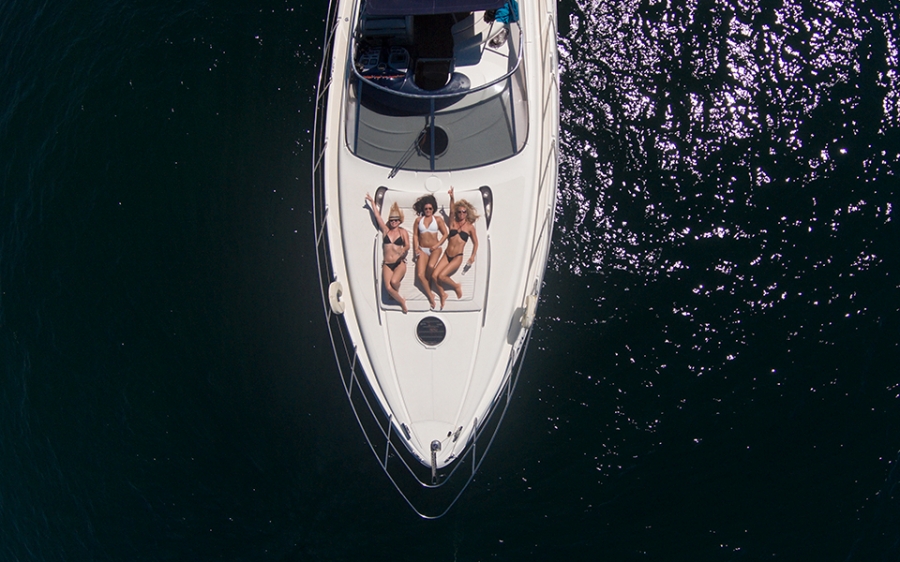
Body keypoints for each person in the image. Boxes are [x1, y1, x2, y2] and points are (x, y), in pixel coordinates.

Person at [432, 187, 479, 309]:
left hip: (457, 257)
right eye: (459, 212)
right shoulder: (452, 223)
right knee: (433, 276)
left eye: (464, 212)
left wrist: (472, 256)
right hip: (447, 254)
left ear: (466, 213)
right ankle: (443, 294)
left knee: (442, 276)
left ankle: (456, 286)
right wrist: (452, 197)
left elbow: (476, 242)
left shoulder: (469, 227)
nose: (461, 214)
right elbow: (451, 211)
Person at [365, 194, 409, 313]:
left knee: (394, 282)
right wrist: (372, 203)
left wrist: (403, 251)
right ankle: (400, 299)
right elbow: (377, 216)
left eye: (396, 220)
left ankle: (398, 297)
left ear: (399, 221)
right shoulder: (386, 231)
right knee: (388, 287)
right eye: (391, 220)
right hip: (387, 264)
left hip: (399, 263)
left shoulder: (402, 231)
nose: (393, 222)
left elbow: (407, 245)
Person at [412, 194, 448, 309]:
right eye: (426, 208)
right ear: (423, 209)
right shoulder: (418, 220)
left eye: (430, 209)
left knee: (431, 266)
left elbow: (445, 234)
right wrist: (416, 248)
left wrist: (437, 245)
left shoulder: (437, 219)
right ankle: (430, 296)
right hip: (422, 249)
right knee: (420, 275)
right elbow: (415, 235)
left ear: (433, 209)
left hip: (435, 248)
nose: (428, 210)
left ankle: (434, 287)